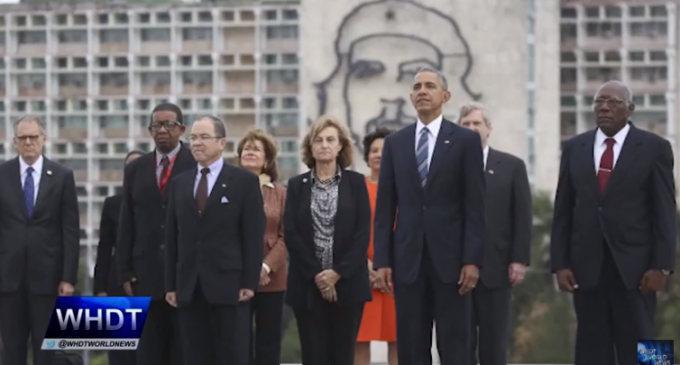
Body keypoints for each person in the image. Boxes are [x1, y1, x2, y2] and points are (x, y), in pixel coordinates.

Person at [551, 80, 676, 364]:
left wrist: (662, 266)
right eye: (599, 101)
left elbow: (665, 211)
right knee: (591, 347)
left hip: (637, 269)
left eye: (613, 102)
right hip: (587, 268)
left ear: (630, 109)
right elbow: (563, 209)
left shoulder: (654, 148)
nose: (604, 107)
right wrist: (560, 264)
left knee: (644, 343)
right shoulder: (574, 147)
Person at [373, 67, 486, 365]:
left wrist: (472, 259)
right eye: (417, 87)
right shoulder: (396, 143)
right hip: (408, 261)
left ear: (445, 96)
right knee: (411, 346)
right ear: (411, 97)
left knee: (455, 345)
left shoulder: (465, 141)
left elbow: (475, 205)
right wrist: (383, 261)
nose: (422, 91)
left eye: (430, 86)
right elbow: (385, 209)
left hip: (453, 263)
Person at [165, 116, 265, 365]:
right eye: (193, 138)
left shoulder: (243, 182)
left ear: (222, 143)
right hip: (189, 287)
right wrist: (171, 284)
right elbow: (172, 237)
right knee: (193, 356)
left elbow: (252, 235)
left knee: (231, 356)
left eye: (204, 137)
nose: (197, 143)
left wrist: (249, 281)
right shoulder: (180, 183)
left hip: (229, 287)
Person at [284, 115, 372, 365]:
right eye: (318, 140)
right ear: (310, 147)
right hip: (307, 284)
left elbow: (362, 234)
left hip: (348, 283)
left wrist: (336, 274)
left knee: (343, 356)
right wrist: (320, 277)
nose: (324, 145)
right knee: (314, 356)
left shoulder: (356, 184)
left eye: (330, 140)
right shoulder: (296, 185)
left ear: (340, 146)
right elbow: (292, 234)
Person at [117, 103, 195, 365]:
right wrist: (125, 270)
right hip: (145, 275)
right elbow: (126, 221)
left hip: (184, 275)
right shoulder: (135, 169)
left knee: (184, 351)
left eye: (168, 125)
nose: (162, 130)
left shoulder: (196, 165)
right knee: (148, 353)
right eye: (156, 125)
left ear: (182, 129)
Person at [0, 115, 80, 365]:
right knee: (12, 351)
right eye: (22, 138)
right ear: (14, 141)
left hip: (48, 280)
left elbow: (70, 229)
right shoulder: (2, 174)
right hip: (8, 280)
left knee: (46, 352)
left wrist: (68, 277)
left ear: (44, 139)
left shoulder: (62, 175)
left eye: (33, 137)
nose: (28, 142)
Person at [457, 102, 532, 365]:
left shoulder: (511, 166)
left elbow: (522, 216)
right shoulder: (447, 167)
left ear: (489, 129)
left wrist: (519, 259)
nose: (471, 129)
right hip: (456, 272)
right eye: (465, 124)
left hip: (496, 268)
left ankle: (657, 360)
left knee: (494, 345)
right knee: (460, 346)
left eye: (477, 123)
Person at [236, 129, 288, 365]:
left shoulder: (280, 194)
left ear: (267, 160)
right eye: (246, 148)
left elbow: (287, 236)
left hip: (272, 278)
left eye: (255, 149)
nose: (249, 152)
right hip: (235, 278)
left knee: (268, 342)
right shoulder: (228, 189)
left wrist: (266, 267)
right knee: (238, 342)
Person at [93, 150, 144, 365]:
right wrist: (100, 288)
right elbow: (104, 247)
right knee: (119, 349)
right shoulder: (112, 203)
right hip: (115, 284)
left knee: (147, 348)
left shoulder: (159, 203)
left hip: (148, 281)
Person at [355, 127, 398, 365]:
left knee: (399, 340)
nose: (379, 155)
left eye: (385, 150)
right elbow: (348, 232)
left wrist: (388, 265)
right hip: (362, 275)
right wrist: (367, 268)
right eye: (374, 150)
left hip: (396, 275)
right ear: (367, 155)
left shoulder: (404, 190)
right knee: (360, 340)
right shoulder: (356, 188)